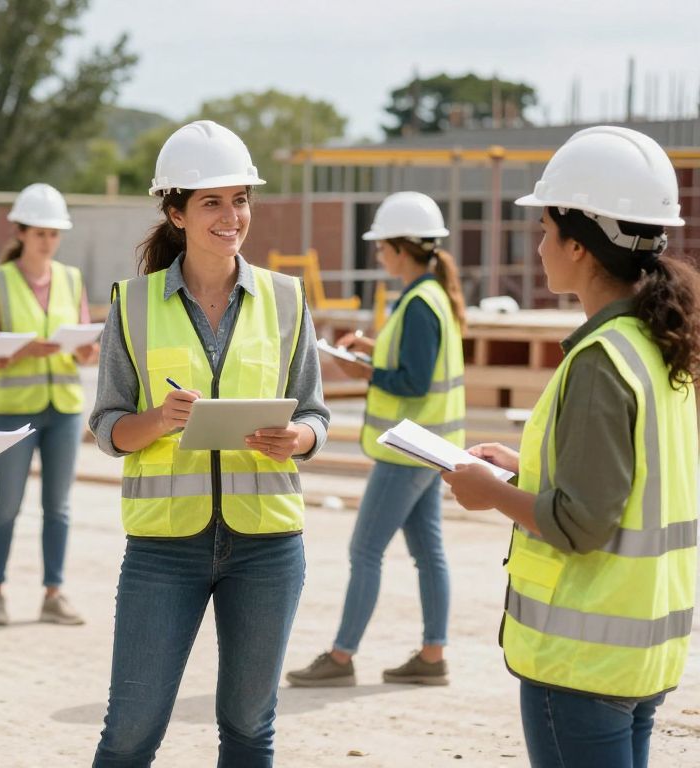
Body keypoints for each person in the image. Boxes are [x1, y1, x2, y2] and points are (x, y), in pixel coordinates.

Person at [442, 126, 698, 768]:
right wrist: (526, 468)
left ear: (579, 246)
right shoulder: (659, 346)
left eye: (547, 229)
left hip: (581, 662)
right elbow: (631, 480)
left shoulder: (601, 360)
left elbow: (581, 523)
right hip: (639, 655)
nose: (540, 245)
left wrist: (492, 493)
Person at [89, 120, 330, 767]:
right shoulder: (133, 304)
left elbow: (316, 413)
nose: (232, 216)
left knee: (250, 727)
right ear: (176, 212)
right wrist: (159, 419)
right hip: (164, 549)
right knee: (131, 730)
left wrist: (298, 437)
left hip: (268, 546)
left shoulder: (286, 300)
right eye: (212, 202)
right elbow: (108, 425)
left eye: (241, 199)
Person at [287, 191, 466, 688]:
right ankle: (432, 655)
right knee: (428, 552)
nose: (378, 255)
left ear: (401, 248)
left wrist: (361, 367)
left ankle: (341, 659)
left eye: (381, 247)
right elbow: (412, 365)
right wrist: (371, 350)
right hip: (428, 448)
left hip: (409, 450)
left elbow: (409, 381)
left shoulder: (418, 304)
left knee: (364, 552)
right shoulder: (430, 297)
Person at [0, 182, 97, 626]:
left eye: (54, 233)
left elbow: (85, 345)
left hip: (63, 406)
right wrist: (23, 351)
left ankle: (54, 592)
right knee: (7, 503)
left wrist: (85, 349)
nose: (48, 240)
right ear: (21, 232)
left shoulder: (71, 279)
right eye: (40, 232)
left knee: (59, 506)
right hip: (13, 407)